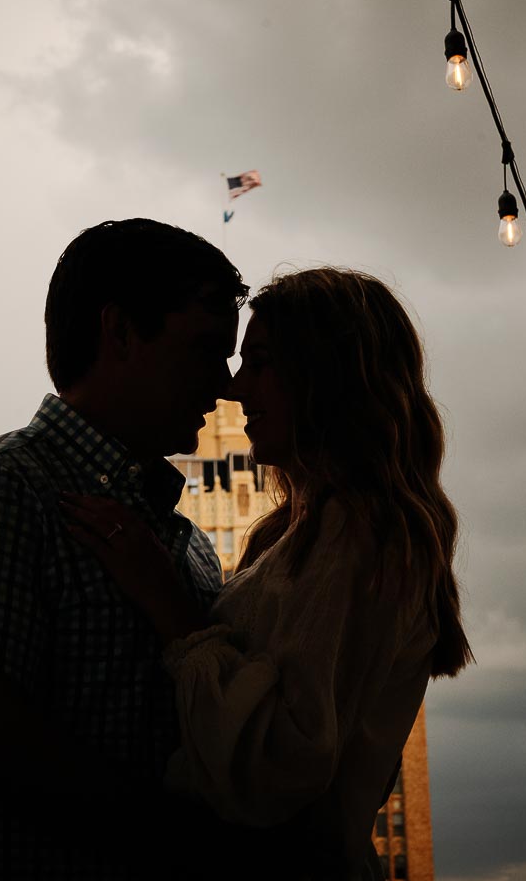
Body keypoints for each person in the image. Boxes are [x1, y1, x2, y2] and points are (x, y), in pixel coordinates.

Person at [62, 266, 474, 880]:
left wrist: (165, 601)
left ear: (325, 378)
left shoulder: (359, 532)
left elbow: (278, 765)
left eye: (259, 364)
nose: (234, 389)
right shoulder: (289, 534)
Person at [0, 218, 261, 879]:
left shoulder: (187, 543)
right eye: (207, 350)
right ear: (120, 331)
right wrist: (186, 836)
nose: (226, 385)